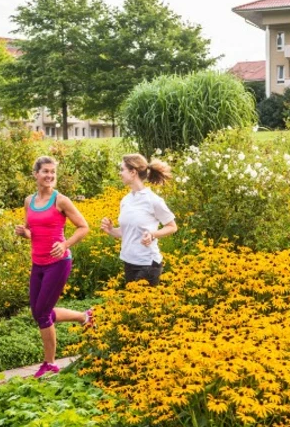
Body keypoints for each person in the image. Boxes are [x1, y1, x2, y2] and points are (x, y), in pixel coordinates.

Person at [14, 156, 93, 378]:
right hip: (37, 262)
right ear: (35, 174)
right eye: (45, 172)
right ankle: (84, 317)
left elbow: (83, 227)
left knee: (41, 314)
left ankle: (49, 364)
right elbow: (33, 231)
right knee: (39, 312)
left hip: (58, 263)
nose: (49, 176)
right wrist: (24, 233)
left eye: (52, 172)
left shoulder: (61, 201)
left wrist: (65, 244)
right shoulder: (29, 201)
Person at [100, 153, 177, 286]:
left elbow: (172, 226)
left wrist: (153, 234)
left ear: (133, 172)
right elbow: (125, 232)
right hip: (129, 262)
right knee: (132, 304)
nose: (120, 173)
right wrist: (110, 230)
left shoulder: (153, 200)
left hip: (148, 264)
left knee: (143, 305)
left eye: (122, 169)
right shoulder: (126, 200)